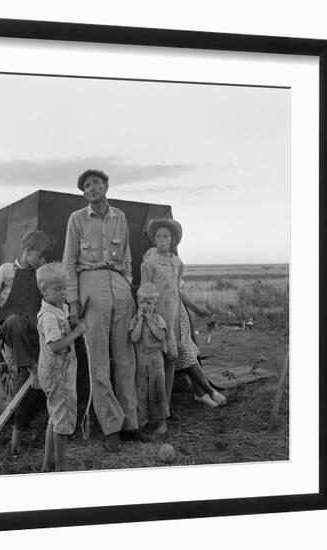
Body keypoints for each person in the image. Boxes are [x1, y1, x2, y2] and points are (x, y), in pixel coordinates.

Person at [63, 169, 149, 452]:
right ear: (84, 193)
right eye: (86, 186)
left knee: (125, 357)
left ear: (106, 186)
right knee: (99, 358)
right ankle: (111, 427)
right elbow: (69, 262)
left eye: (96, 183)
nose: (92, 188)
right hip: (91, 283)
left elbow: (126, 253)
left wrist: (127, 281)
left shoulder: (119, 217)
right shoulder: (76, 220)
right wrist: (74, 302)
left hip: (119, 284)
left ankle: (131, 424)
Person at [141, 219, 227, 411]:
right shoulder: (149, 261)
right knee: (167, 358)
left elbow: (177, 290)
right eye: (158, 236)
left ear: (173, 240)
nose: (162, 240)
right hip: (159, 315)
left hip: (178, 314)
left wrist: (196, 309)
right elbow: (146, 290)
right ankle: (199, 393)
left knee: (181, 354)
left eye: (166, 236)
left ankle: (198, 394)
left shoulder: (177, 262)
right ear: (154, 239)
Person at [0, 229, 53, 453]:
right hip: (11, 329)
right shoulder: (6, 271)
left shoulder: (41, 274)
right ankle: (32, 367)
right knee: (15, 322)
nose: (43, 261)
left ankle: (17, 436)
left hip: (33, 334)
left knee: (27, 385)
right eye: (40, 256)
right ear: (28, 251)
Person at [36, 263, 87, 472]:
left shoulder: (60, 308)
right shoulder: (48, 316)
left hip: (59, 371)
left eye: (65, 288)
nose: (63, 293)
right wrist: (78, 332)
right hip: (57, 374)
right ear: (43, 290)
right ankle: (61, 467)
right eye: (57, 289)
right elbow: (56, 346)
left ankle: (48, 463)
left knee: (54, 418)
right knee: (62, 421)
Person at [129, 283, 169, 436]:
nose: (144, 305)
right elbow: (134, 338)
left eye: (148, 303)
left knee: (158, 391)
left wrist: (150, 322)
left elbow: (161, 336)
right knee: (141, 392)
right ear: (138, 302)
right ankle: (143, 422)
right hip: (141, 361)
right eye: (141, 302)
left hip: (156, 361)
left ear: (155, 304)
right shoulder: (135, 320)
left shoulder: (158, 320)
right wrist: (140, 321)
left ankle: (160, 422)